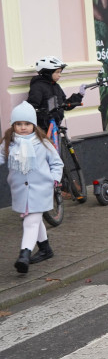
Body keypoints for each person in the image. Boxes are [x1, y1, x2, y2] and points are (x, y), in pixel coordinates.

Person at [4, 101, 63, 273]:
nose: (23, 127)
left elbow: (57, 163)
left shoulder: (43, 143)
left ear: (34, 125)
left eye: (27, 124)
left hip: (42, 188)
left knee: (30, 222)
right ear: (13, 125)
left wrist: (54, 179)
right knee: (33, 219)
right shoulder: (9, 143)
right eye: (19, 124)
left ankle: (24, 254)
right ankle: (45, 249)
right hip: (20, 190)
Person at [27, 56, 84, 131]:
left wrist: (79, 95)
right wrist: (43, 113)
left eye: (60, 72)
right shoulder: (38, 87)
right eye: (57, 72)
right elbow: (32, 107)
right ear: (47, 73)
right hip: (43, 128)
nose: (59, 75)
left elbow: (64, 105)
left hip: (55, 125)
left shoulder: (56, 86)